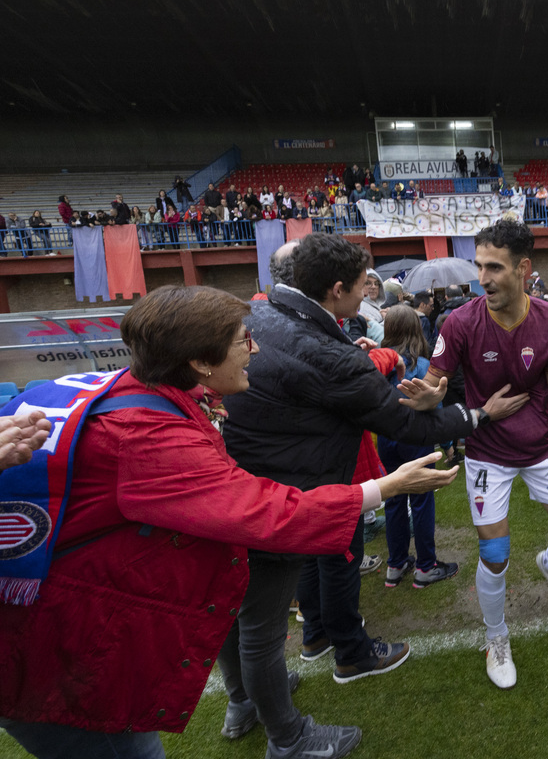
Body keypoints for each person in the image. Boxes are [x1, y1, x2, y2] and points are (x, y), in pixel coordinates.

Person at [0, 285, 454, 759]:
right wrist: (385, 487)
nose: (255, 349)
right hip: (48, 657)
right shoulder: (148, 436)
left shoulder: (128, 388)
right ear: (199, 362)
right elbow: (266, 512)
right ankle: (286, 739)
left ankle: (242, 702)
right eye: (242, 340)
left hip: (29, 628)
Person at [222, 234, 525, 693]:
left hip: (259, 483)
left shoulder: (258, 311)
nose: (371, 294)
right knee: (317, 577)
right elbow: (407, 425)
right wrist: (479, 414)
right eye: (365, 285)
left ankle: (316, 636)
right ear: (338, 289)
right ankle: (348, 656)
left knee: (284, 586)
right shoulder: (334, 358)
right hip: (309, 485)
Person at [402, 218, 548, 689]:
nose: (482, 278)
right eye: (479, 266)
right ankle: (497, 636)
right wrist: (429, 396)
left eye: (494, 267)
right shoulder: (460, 321)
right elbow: (436, 382)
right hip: (487, 454)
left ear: (523, 268)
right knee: (497, 553)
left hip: (542, 446)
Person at [378, 305, 459, 589]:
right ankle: (426, 567)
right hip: (415, 440)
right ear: (416, 329)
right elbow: (436, 409)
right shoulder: (424, 366)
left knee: (394, 498)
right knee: (422, 500)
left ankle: (396, 564)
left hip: (386, 440)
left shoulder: (377, 362)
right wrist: (449, 445)